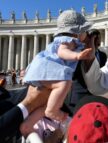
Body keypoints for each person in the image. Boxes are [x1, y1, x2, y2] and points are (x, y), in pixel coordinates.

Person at [20, 9, 93, 137]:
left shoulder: (66, 40)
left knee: (44, 104)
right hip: (48, 70)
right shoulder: (67, 41)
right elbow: (62, 52)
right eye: (84, 31)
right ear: (76, 33)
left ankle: (27, 125)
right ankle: (52, 111)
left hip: (45, 70)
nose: (86, 34)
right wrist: (77, 56)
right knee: (65, 82)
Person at [68, 29, 107, 112]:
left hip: (96, 94)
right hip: (79, 93)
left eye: (98, 38)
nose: (97, 41)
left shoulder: (103, 55)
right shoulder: (78, 53)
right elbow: (73, 73)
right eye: (95, 38)